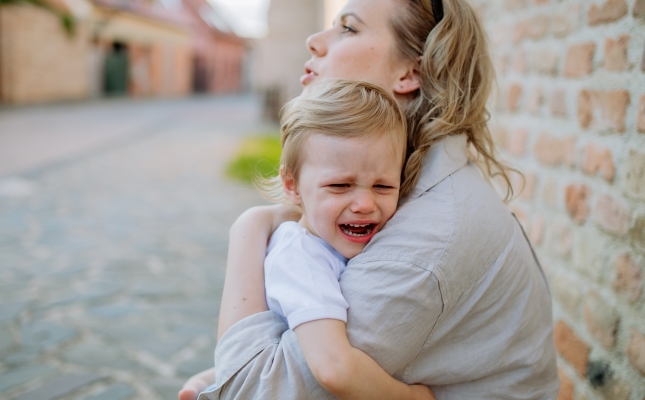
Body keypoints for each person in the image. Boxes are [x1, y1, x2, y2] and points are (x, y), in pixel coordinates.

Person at [184, 0, 559, 398]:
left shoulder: (424, 240)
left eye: (348, 28)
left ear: (411, 72)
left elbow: (246, 390)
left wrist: (251, 226)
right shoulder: (412, 185)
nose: (315, 41)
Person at [180, 80, 436, 400]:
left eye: (383, 187)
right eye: (341, 185)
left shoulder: (330, 241)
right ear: (292, 186)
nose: (365, 204)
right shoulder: (302, 258)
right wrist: (411, 397)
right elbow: (333, 368)